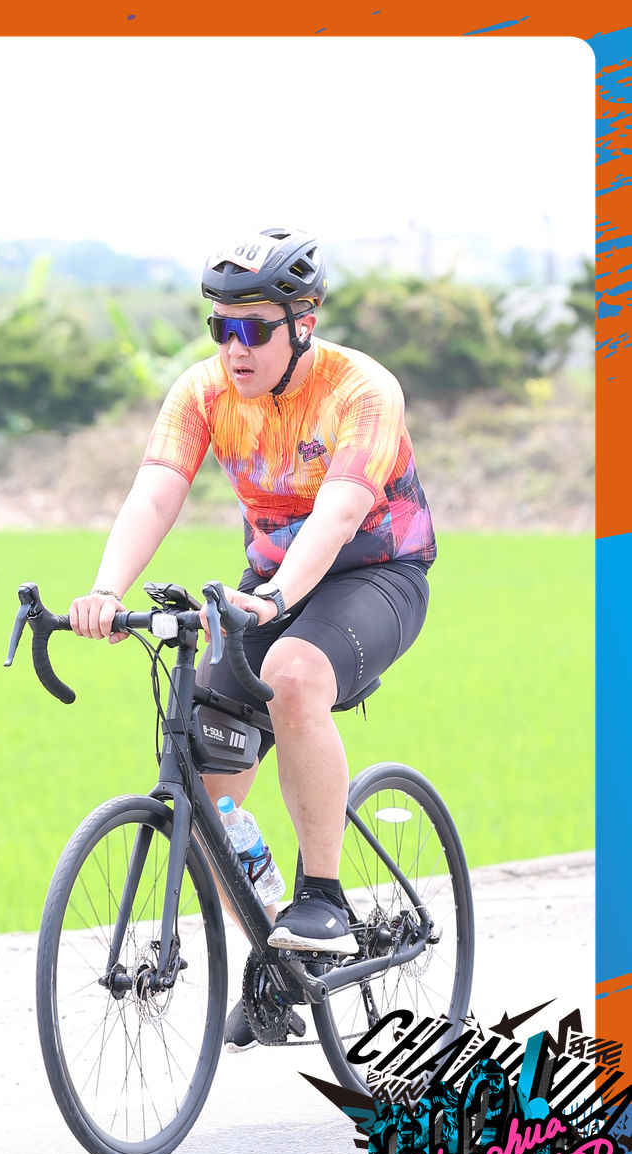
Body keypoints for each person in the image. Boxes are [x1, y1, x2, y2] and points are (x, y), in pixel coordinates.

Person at [68, 228, 436, 1050]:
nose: (234, 348)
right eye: (220, 327)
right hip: (268, 586)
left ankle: (324, 896)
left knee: (294, 675)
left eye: (254, 328)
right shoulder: (202, 392)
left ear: (303, 322)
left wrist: (270, 602)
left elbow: (338, 515)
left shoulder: (361, 390)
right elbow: (155, 492)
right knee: (206, 788)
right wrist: (104, 591)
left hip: (375, 573)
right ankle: (277, 958)